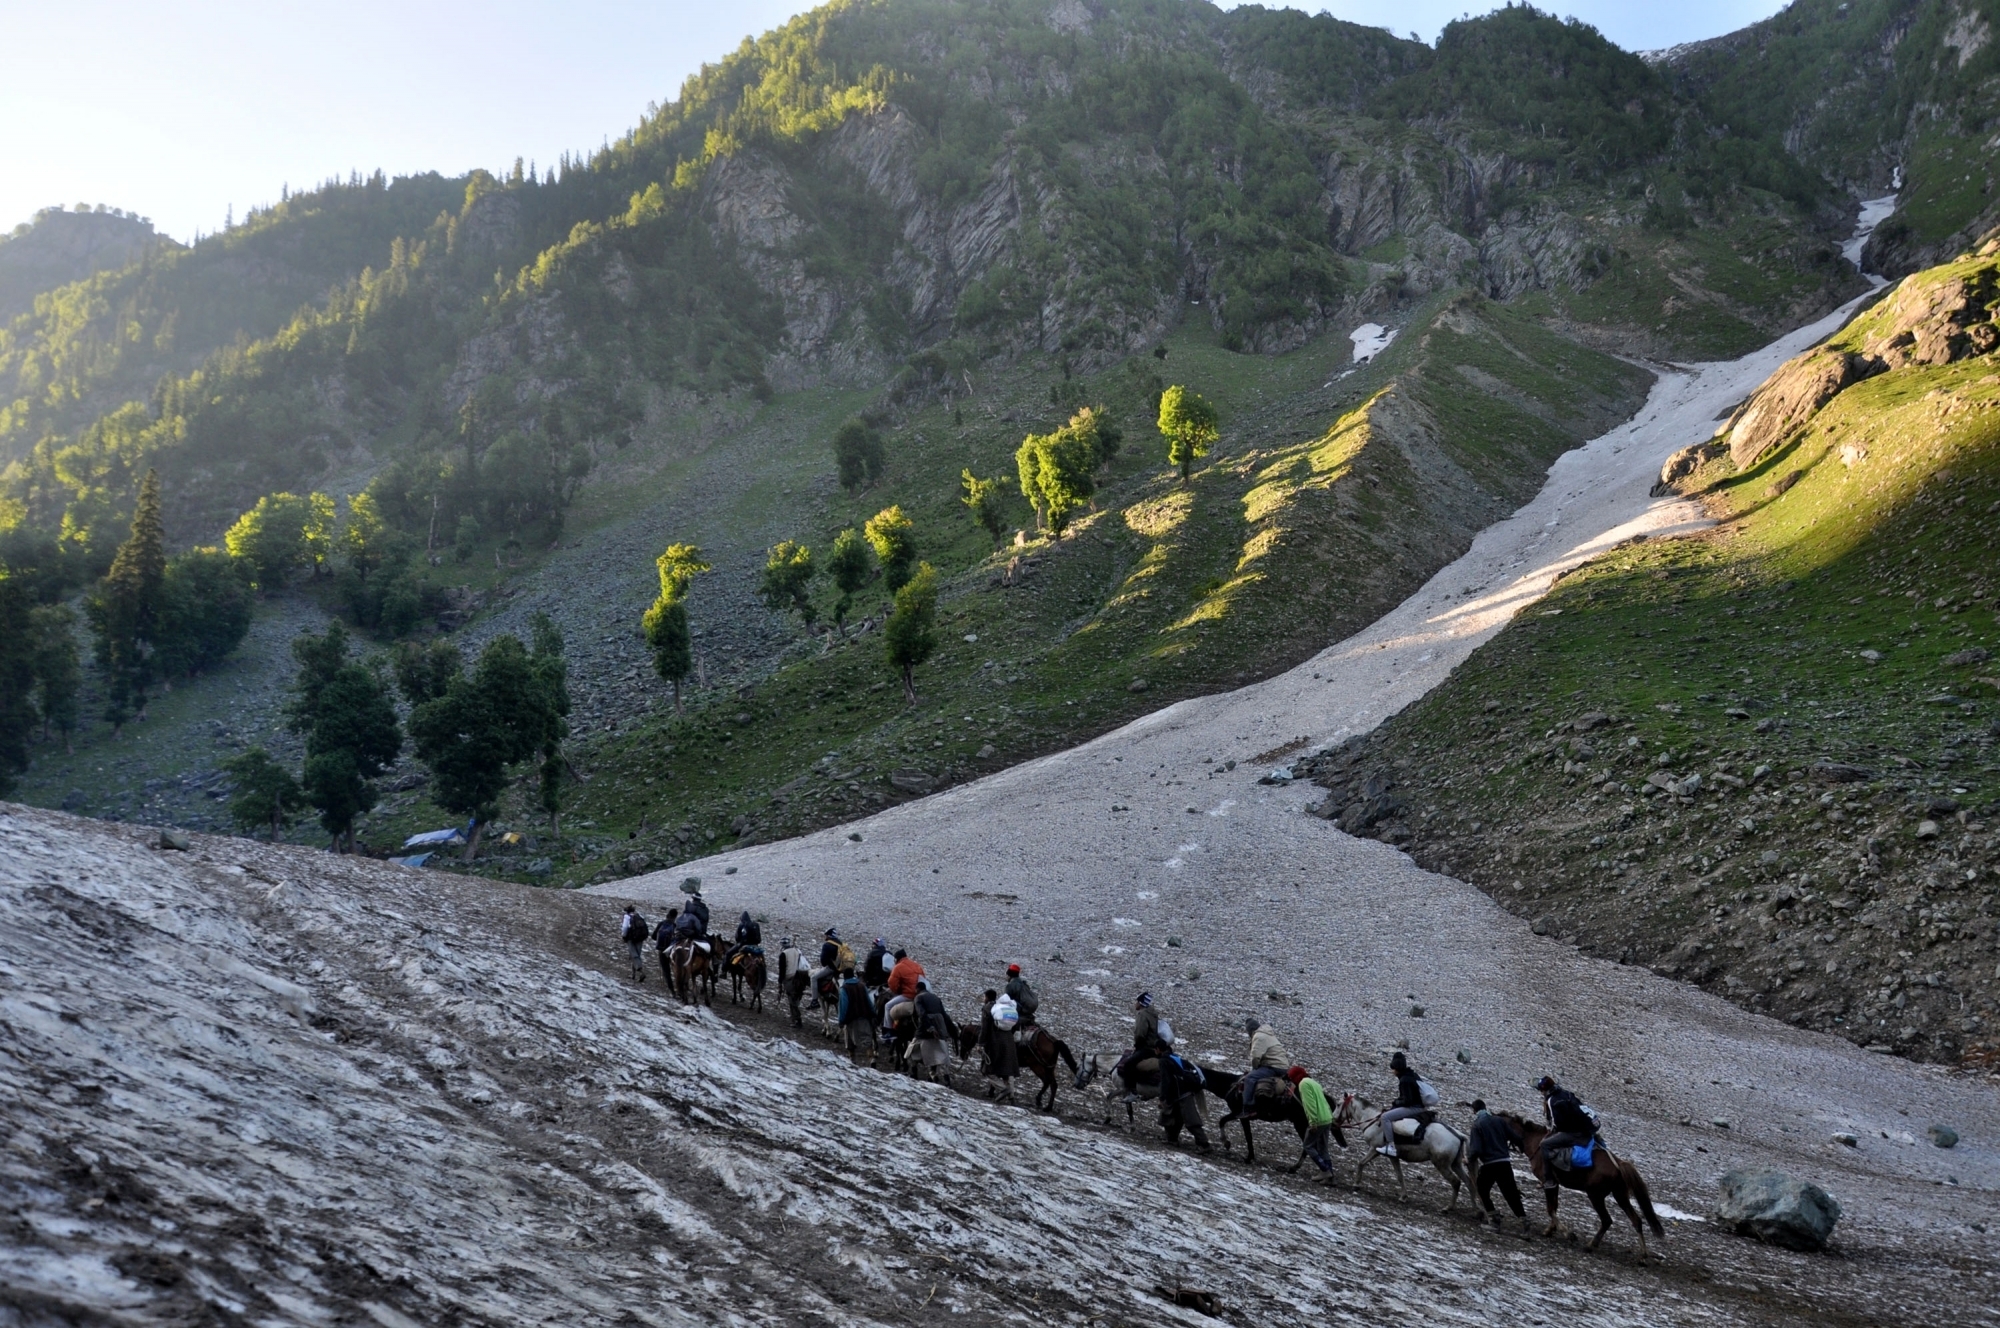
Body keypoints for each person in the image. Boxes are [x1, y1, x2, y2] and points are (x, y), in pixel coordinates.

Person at [1469, 1098, 1529, 1230]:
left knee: (1482, 1189)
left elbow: (1476, 1149)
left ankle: (1494, 1220)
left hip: (1490, 1164)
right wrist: (1522, 1148)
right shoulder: (1499, 1121)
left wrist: (1469, 1159)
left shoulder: (1477, 1125)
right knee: (1511, 1193)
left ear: (1474, 1111)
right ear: (1485, 1107)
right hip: (1504, 1162)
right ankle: (1524, 1221)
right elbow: (1516, 1138)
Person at [1535, 1075, 1599, 1190]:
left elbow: (1557, 1124)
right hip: (1585, 1130)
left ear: (1545, 1090)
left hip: (1575, 1134)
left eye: (1541, 1090)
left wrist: (1553, 1131)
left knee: (1545, 1145)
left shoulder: (1552, 1100)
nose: (1541, 1093)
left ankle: (1549, 1179)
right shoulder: (1566, 1093)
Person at [1158, 1042, 1211, 1152]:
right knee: (1174, 1117)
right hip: (1184, 1092)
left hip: (1181, 1094)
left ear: (1158, 1049)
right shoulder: (1175, 1057)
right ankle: (1172, 1139)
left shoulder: (1164, 1061)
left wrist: (1163, 1097)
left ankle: (1204, 1144)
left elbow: (1165, 1080)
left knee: (1190, 1120)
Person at [1376, 1052, 1428, 1159]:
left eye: (1393, 1068)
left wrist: (1396, 1103)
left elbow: (1407, 1100)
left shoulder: (1404, 1080)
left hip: (1414, 1108)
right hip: (1420, 1105)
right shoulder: (1412, 1075)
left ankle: (1391, 1146)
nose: (1392, 1071)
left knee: (1385, 1117)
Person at [1289, 1066, 1336, 1177]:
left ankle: (1325, 1170)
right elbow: (1324, 1102)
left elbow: (1310, 1105)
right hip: (1327, 1119)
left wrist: (1312, 1122)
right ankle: (1330, 1176)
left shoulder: (1303, 1085)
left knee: (1308, 1146)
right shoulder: (1313, 1082)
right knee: (1323, 1148)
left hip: (1318, 1120)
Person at [1239, 1017, 1294, 1107]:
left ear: (1250, 1030)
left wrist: (1255, 1068)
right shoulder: (1269, 1034)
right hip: (1282, 1066)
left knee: (1250, 1078)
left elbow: (1256, 1057)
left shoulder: (1258, 1036)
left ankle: (1247, 1106)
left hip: (1273, 1067)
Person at [1118, 992, 1163, 1099]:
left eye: (1137, 1001)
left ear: (1141, 1003)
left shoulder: (1142, 1014)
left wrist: (1137, 1046)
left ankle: (1132, 1092)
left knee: (1128, 1064)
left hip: (1146, 1048)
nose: (1135, 1004)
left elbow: (1140, 1034)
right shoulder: (1153, 1014)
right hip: (1154, 1047)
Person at [980, 988, 1020, 1097]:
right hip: (1009, 1041)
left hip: (994, 1042)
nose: (984, 999)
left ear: (987, 997)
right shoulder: (1007, 1008)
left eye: (984, 997)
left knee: (988, 1070)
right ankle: (1011, 1095)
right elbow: (1016, 1025)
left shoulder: (987, 1008)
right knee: (1007, 1070)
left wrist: (981, 1043)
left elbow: (984, 1028)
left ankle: (1003, 1089)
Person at [882, 948, 924, 1034]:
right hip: (920, 993)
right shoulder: (916, 965)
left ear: (897, 958)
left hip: (909, 995)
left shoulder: (898, 967)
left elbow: (892, 983)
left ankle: (888, 1031)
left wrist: (897, 991)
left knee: (888, 1006)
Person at [776, 937, 809, 1027]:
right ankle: (794, 1018)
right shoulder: (797, 950)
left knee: (792, 999)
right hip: (801, 977)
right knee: (797, 998)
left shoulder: (783, 954)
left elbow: (782, 970)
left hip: (790, 978)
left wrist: (780, 982)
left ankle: (797, 1019)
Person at [1003, 963, 1039, 1032]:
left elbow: (1006, 1000)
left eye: (1007, 975)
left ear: (1010, 975)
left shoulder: (1010, 986)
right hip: (1028, 1011)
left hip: (1020, 1011)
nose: (1006, 977)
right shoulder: (1023, 984)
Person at [620, 906, 649, 981]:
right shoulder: (639, 916)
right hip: (640, 938)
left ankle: (641, 972)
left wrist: (623, 936)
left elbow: (625, 927)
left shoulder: (627, 917)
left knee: (634, 955)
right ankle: (633, 974)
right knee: (637, 955)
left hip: (631, 938)